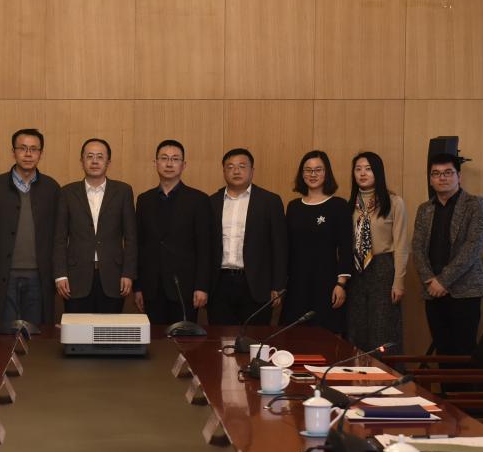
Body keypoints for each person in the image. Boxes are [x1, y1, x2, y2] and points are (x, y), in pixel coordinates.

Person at [411, 153, 483, 355]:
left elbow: (473, 247)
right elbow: (417, 248)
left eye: (448, 172)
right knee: (442, 351)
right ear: (431, 179)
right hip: (433, 291)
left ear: (458, 176)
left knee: (464, 352)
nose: (442, 178)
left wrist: (443, 281)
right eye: (436, 174)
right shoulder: (424, 209)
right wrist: (430, 280)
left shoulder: (475, 204)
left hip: (465, 290)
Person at [0, 129, 60, 327]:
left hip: (39, 277)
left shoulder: (52, 188)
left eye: (34, 149)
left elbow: (59, 236)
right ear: (13, 152)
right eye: (22, 148)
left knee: (36, 335)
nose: (28, 154)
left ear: (41, 153)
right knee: (3, 335)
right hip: (3, 276)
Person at [53, 139, 137, 313]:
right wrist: (60, 275)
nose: (95, 161)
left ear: (108, 162)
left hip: (114, 277)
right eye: (89, 156)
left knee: (109, 329)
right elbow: (59, 238)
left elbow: (131, 237)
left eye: (100, 157)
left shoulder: (123, 191)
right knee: (77, 329)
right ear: (82, 161)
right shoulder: (67, 192)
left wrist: (128, 273)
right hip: (75, 277)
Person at [134, 139, 211, 325]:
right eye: (164, 158)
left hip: (185, 288)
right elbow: (139, 245)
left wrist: (202, 286)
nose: (169, 164)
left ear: (184, 165)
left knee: (184, 340)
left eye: (175, 159)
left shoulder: (199, 200)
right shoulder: (144, 200)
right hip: (152, 288)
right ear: (155, 163)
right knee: (154, 339)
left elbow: (205, 247)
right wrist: (138, 287)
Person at [207, 148, 287, 325]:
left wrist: (278, 285)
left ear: (252, 171)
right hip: (220, 283)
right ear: (223, 171)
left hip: (257, 284)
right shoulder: (212, 202)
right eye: (230, 167)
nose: (236, 171)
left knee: (255, 337)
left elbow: (279, 247)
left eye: (242, 166)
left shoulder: (270, 201)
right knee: (220, 337)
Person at [344, 152, 408, 354]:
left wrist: (399, 282)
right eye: (358, 169)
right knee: (356, 327)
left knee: (382, 328)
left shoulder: (394, 202)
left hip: (383, 269)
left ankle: (385, 372)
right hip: (355, 270)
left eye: (368, 169)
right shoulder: (349, 204)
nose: (362, 173)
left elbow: (401, 245)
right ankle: (356, 371)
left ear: (378, 172)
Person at [284, 150, 353, 334]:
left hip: (327, 283)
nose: (312, 174)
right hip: (297, 283)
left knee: (324, 337)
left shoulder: (338, 205)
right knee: (295, 336)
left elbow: (346, 247)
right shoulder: (293, 207)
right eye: (308, 170)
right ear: (302, 174)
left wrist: (341, 284)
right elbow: (287, 248)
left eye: (318, 170)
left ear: (326, 173)